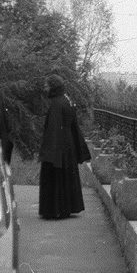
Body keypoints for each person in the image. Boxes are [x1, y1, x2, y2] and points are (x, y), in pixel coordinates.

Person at [37, 74, 91, 220]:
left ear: (53, 87)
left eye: (47, 85)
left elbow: (53, 129)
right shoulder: (67, 100)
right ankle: (65, 208)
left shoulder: (56, 103)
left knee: (55, 177)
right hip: (68, 145)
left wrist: (49, 153)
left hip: (58, 145)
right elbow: (73, 126)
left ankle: (54, 210)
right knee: (65, 178)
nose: (45, 88)